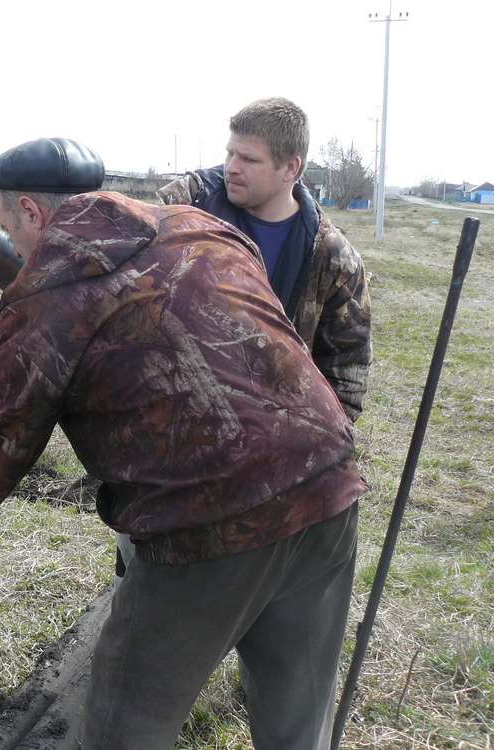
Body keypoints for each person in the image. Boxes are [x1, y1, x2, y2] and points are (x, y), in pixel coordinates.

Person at [0, 137, 368, 749]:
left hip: (210, 517)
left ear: (31, 212)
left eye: (6, 226)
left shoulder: (48, 296)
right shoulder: (196, 226)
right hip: (328, 487)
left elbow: (5, 429)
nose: (14, 247)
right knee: (297, 717)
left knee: (126, 719)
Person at [110, 96, 374, 582]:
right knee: (145, 588)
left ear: (290, 168)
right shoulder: (183, 203)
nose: (231, 167)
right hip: (167, 443)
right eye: (230, 153)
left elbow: (346, 376)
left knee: (252, 595)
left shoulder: (331, 258)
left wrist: (294, 454)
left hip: (265, 468)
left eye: (248, 159)